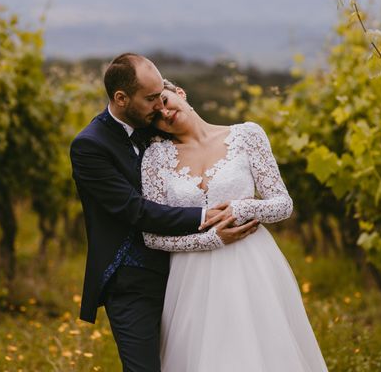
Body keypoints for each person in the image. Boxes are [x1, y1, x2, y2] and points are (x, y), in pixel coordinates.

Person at [69, 53, 258, 372]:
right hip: (133, 280)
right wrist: (206, 218)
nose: (160, 106)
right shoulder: (90, 146)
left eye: (162, 95)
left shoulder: (153, 125)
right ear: (121, 98)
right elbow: (135, 210)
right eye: (151, 98)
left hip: (188, 270)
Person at [140, 80, 329, 371]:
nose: (163, 114)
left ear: (179, 93)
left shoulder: (247, 135)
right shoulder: (155, 158)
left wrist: (242, 207)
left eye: (164, 102)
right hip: (190, 276)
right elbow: (152, 236)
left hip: (251, 265)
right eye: (154, 116)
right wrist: (210, 239)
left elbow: (283, 204)